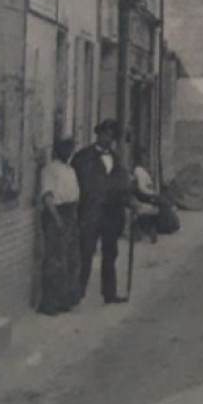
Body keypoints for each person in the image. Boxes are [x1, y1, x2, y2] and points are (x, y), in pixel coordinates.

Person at [72, 119, 132, 304]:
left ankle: (109, 293)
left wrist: (129, 200)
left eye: (111, 136)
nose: (108, 139)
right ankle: (77, 293)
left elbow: (123, 184)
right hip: (90, 213)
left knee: (110, 254)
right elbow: (75, 184)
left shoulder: (116, 159)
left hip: (111, 215)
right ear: (98, 134)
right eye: (105, 134)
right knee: (85, 253)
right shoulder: (82, 157)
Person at [37, 136, 82, 314]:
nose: (68, 152)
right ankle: (49, 303)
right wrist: (56, 218)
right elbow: (47, 196)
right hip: (57, 213)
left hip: (70, 213)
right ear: (57, 150)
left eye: (70, 149)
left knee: (70, 258)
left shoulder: (69, 170)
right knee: (55, 258)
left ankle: (65, 299)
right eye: (65, 149)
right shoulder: (50, 169)